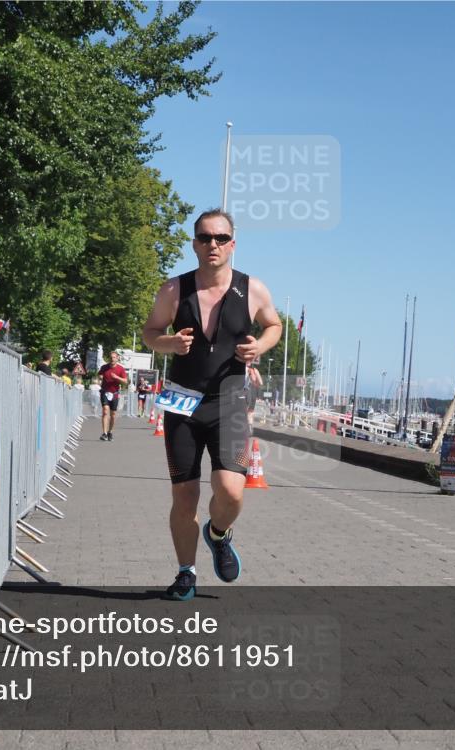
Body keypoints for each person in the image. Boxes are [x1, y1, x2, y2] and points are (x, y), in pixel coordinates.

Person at [142, 208, 282, 601]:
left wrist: (261, 345)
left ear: (232, 244)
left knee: (231, 491)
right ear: (194, 244)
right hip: (182, 402)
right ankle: (186, 572)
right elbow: (150, 331)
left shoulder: (252, 289)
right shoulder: (174, 291)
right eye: (205, 238)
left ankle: (219, 535)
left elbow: (273, 325)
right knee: (184, 496)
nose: (213, 245)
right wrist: (166, 343)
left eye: (221, 238)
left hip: (230, 401)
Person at [97, 351, 128, 441]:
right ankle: (104, 433)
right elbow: (99, 375)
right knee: (105, 411)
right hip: (105, 392)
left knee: (113, 415)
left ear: (117, 358)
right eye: (111, 357)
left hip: (115, 393)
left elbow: (125, 381)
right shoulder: (104, 367)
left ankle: (110, 432)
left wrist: (117, 378)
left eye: (114, 357)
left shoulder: (120, 369)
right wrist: (100, 378)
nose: (112, 359)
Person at [245, 364, 262, 431]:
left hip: (248, 391)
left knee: (248, 411)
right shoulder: (252, 369)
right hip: (250, 391)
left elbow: (259, 382)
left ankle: (248, 427)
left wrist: (253, 373)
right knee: (250, 411)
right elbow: (260, 383)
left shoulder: (251, 370)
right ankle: (249, 427)